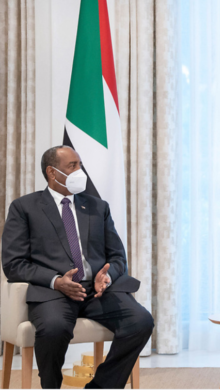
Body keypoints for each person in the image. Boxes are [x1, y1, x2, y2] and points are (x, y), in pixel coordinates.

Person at [2, 145, 154, 389]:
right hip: (53, 292)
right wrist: (56, 281)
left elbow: (117, 257)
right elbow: (13, 264)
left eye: (80, 165)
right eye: (72, 166)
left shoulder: (97, 207)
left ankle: (101, 387)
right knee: (53, 328)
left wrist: (106, 277)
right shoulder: (24, 207)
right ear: (52, 172)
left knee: (141, 321)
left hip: (97, 292)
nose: (79, 171)